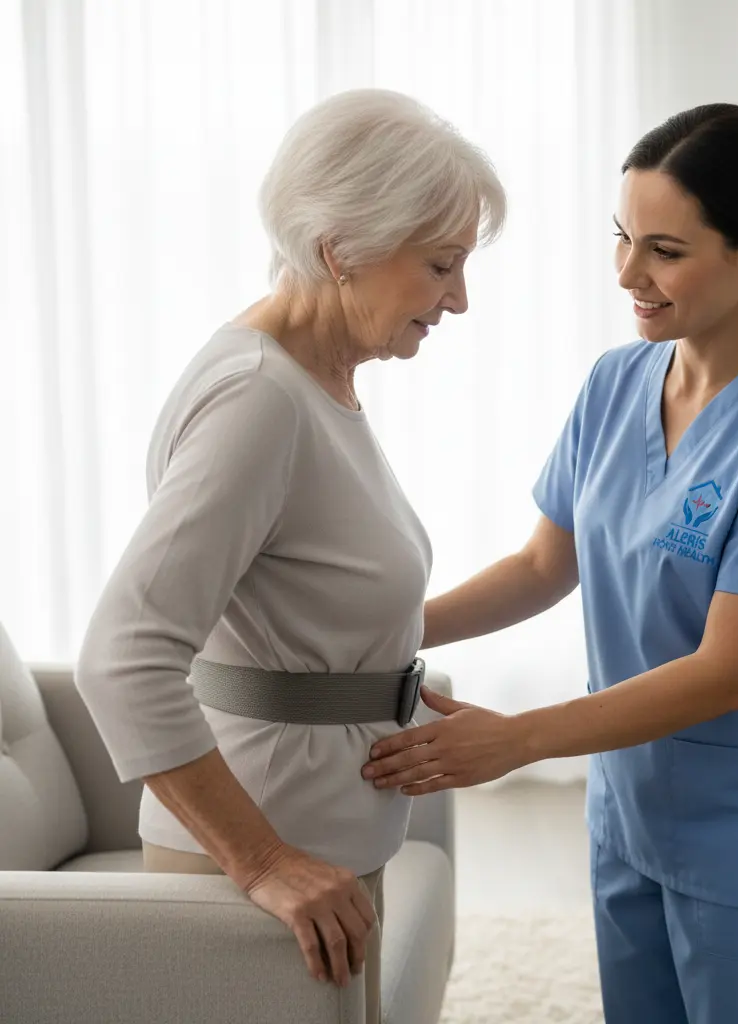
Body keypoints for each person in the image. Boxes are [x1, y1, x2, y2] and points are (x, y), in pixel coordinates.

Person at [363, 103, 738, 1024]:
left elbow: (726, 673)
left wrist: (515, 739)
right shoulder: (616, 382)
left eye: (665, 251)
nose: (629, 274)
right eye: (622, 239)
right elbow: (541, 565)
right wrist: (390, 626)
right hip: (629, 813)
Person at [74, 88, 505, 1021]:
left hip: (326, 835)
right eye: (442, 265)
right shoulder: (258, 402)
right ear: (340, 247)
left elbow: (297, 605)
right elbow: (123, 656)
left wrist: (389, 686)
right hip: (271, 857)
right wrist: (263, 861)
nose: (460, 300)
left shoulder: (317, 383)